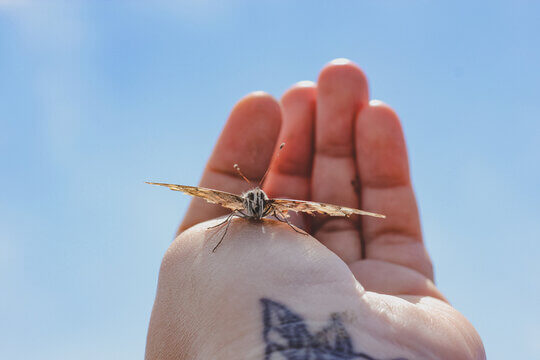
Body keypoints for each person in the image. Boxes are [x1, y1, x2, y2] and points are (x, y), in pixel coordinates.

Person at [145, 59, 485, 360]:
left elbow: (283, 211)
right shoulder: (239, 203)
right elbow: (228, 209)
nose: (257, 203)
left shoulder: (274, 205)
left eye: (260, 200)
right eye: (254, 199)